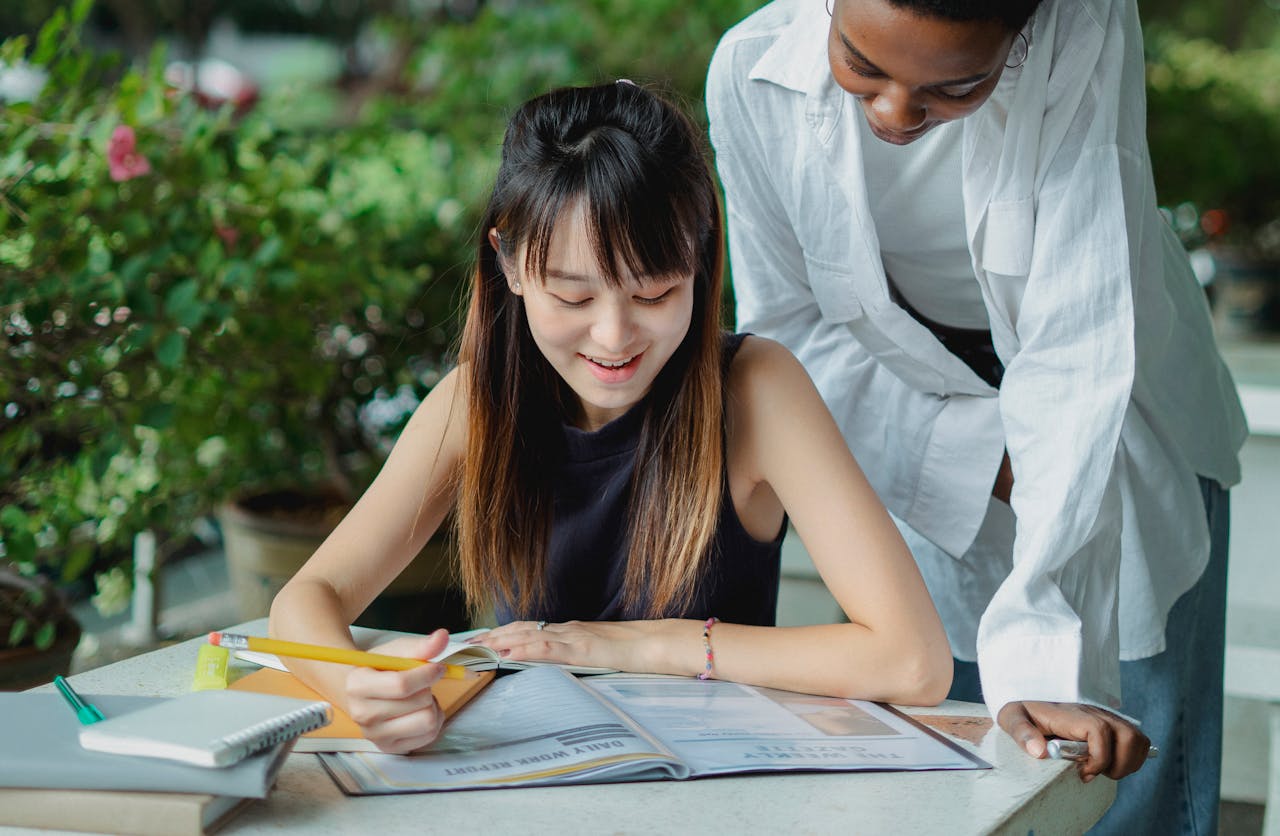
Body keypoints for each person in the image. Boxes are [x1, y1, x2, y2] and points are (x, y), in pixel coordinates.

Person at [268, 81, 952, 756]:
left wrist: (652, 644)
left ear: (700, 254)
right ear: (507, 262)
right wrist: (356, 686)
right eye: (572, 297)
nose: (614, 335)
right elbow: (310, 596)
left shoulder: (756, 390)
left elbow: (913, 661)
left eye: (653, 293)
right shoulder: (475, 404)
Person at [706, 0, 1247, 831]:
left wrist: (1040, 651)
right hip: (903, 407)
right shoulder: (750, 71)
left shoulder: (1085, 30)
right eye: (861, 63)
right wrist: (978, 463)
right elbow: (793, 332)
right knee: (962, 782)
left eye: (954, 86)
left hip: (1115, 416)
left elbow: (1076, 345)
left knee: (1133, 780)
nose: (894, 113)